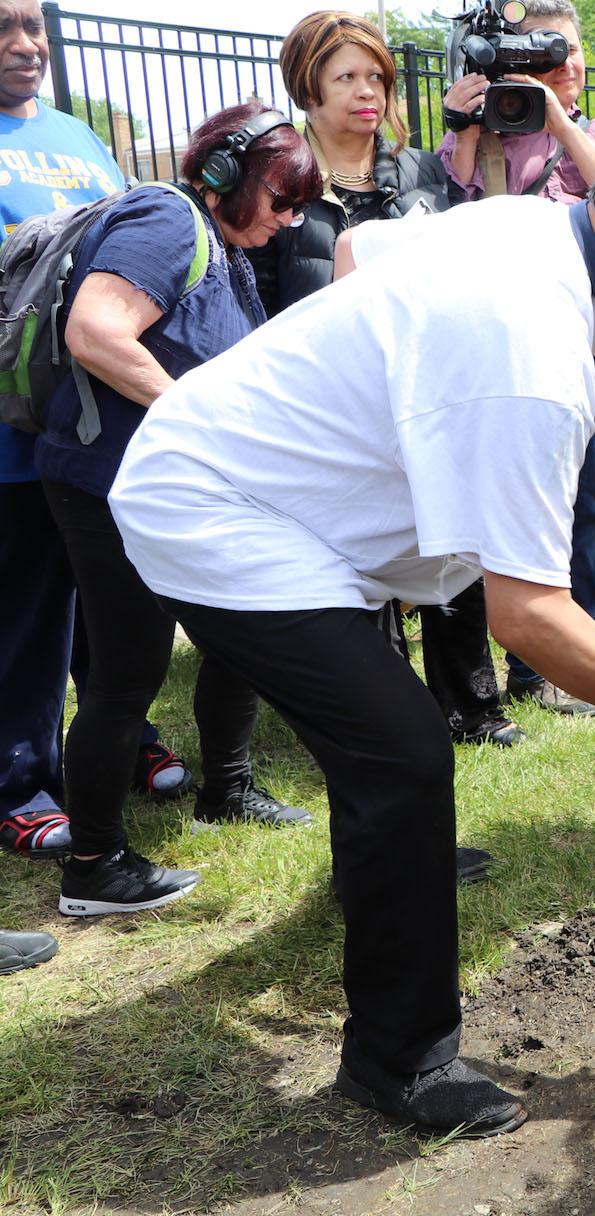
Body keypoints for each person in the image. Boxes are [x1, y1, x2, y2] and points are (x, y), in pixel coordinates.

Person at [108, 135, 595, 1137]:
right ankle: (400, 1061)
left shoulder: (534, 225)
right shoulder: (532, 350)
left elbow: (367, 255)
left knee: (379, 746)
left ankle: (376, 878)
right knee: (405, 749)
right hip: (217, 510)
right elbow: (530, 618)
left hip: (290, 507)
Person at [37, 103, 318, 916]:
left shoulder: (219, 239)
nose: (289, 220)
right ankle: (93, 866)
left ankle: (226, 789)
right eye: (281, 198)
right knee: (127, 675)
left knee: (237, 628)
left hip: (172, 482)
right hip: (109, 483)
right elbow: (96, 332)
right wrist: (195, 419)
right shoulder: (167, 221)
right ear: (227, 176)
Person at [254, 10, 520, 759]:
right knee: (355, 559)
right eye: (346, 77)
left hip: (424, 389)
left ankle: (472, 704)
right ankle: (387, 706)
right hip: (331, 403)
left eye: (377, 77)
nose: (367, 93)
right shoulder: (282, 187)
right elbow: (261, 298)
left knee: (451, 543)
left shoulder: (420, 174)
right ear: (308, 90)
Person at [0, 0, 193, 862]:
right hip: (11, 425)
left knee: (108, 599)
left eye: (34, 26)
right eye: (3, 28)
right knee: (29, 613)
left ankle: (120, 737)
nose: (25, 45)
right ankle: (20, 784)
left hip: (88, 424)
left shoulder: (78, 138)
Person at [438, 0, 595, 714]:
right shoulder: (480, 136)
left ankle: (579, 653)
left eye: (573, 49)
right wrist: (463, 128)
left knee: (582, 504)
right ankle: (520, 667)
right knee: (505, 515)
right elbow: (446, 212)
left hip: (583, 353)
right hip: (495, 358)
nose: (566, 64)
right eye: (543, 53)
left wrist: (556, 118)